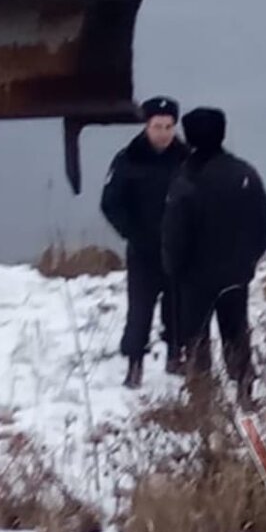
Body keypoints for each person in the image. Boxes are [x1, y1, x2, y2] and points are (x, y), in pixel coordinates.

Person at [161, 106, 266, 408]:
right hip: (235, 273)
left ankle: (201, 397)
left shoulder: (185, 180)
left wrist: (173, 268)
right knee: (236, 332)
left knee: (196, 337)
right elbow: (262, 224)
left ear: (190, 137)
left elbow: (174, 233)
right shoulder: (244, 174)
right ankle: (245, 389)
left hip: (194, 277)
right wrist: (249, 260)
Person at [100, 95, 189, 388]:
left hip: (179, 250)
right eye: (157, 127)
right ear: (146, 126)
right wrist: (132, 233)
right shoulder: (128, 159)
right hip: (143, 251)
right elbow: (110, 203)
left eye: (168, 127)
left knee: (178, 308)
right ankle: (134, 364)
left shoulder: (187, 158)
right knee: (139, 311)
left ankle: (176, 356)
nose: (163, 133)